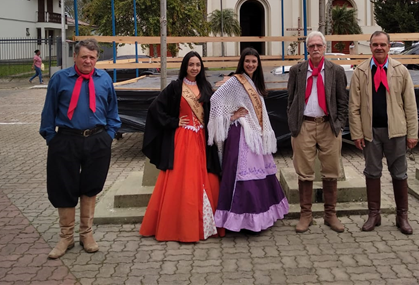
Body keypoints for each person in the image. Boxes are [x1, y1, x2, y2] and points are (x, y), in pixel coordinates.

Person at [39, 39, 121, 259]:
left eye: (92, 57)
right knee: (63, 187)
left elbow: (112, 110)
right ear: (75, 56)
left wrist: (110, 135)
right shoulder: (59, 79)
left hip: (97, 140)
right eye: (84, 56)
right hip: (66, 140)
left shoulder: (104, 79)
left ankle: (86, 234)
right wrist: (51, 138)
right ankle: (66, 237)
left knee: (91, 185)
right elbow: (49, 111)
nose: (88, 61)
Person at [139, 51, 224, 242]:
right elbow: (155, 108)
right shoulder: (176, 87)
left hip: (202, 139)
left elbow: (215, 111)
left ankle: (205, 225)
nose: (194, 68)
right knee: (182, 180)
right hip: (183, 139)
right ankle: (179, 227)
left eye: (198, 65)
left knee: (205, 177)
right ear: (185, 66)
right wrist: (173, 121)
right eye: (191, 64)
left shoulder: (205, 87)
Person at [208, 48, 289, 233]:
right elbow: (215, 99)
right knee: (243, 176)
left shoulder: (255, 83)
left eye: (254, 61)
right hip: (242, 135)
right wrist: (232, 116)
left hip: (254, 135)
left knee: (259, 174)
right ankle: (241, 221)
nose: (250, 64)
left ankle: (257, 218)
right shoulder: (236, 81)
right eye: (247, 61)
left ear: (258, 64)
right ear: (242, 62)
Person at [349, 31, 418, 235]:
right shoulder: (360, 72)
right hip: (371, 133)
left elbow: (410, 105)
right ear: (370, 47)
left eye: (383, 44)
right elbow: (354, 106)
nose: (379, 48)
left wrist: (412, 133)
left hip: (396, 132)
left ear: (389, 46)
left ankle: (402, 216)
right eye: (375, 44)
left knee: (399, 173)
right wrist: (356, 133)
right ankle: (374, 214)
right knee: (372, 172)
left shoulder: (401, 71)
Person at [285, 31, 349, 233]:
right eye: (311, 46)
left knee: (331, 171)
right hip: (304, 125)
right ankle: (306, 215)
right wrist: (293, 124)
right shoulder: (297, 70)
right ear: (307, 49)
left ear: (324, 47)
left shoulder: (336, 70)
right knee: (304, 172)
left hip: (328, 126)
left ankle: (330, 215)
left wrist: (338, 124)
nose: (315, 49)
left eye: (318, 46)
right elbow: (290, 100)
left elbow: (342, 101)